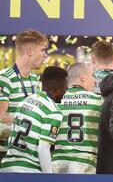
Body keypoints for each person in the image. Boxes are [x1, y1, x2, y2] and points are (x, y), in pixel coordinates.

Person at [0, 66, 67, 173]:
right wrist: (49, 180)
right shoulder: (54, 111)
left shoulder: (25, 101)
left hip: (6, 167)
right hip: (28, 171)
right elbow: (43, 149)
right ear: (58, 89)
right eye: (65, 87)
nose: (66, 91)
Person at [0, 29, 48, 159]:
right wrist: (31, 122)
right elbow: (1, 116)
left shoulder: (34, 78)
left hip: (28, 154)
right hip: (6, 155)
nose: (45, 55)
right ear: (30, 51)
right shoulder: (5, 78)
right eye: (43, 50)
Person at [53, 63, 104, 174]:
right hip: (85, 164)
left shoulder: (55, 101)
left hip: (58, 163)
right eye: (92, 76)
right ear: (82, 77)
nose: (94, 81)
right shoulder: (99, 100)